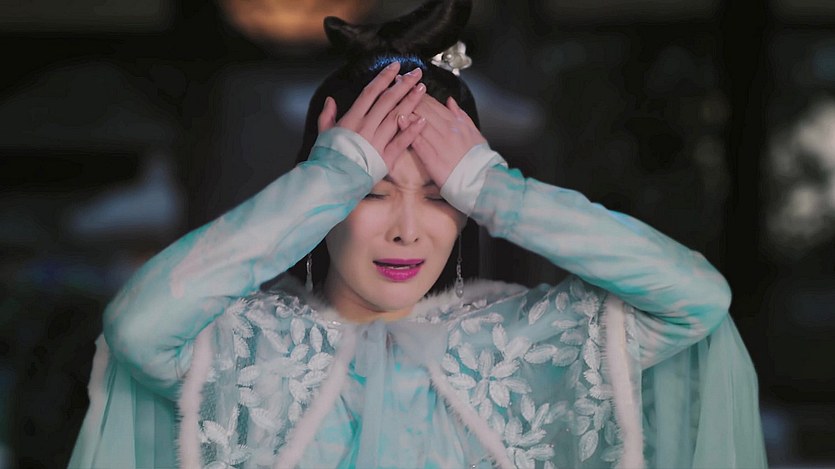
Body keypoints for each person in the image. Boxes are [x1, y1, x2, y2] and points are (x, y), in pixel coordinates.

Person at [69, 0, 767, 467]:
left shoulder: (518, 345)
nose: (406, 230)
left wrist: (495, 188)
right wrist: (326, 177)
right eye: (371, 193)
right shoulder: (248, 347)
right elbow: (136, 327)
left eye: (440, 196)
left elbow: (696, 298)